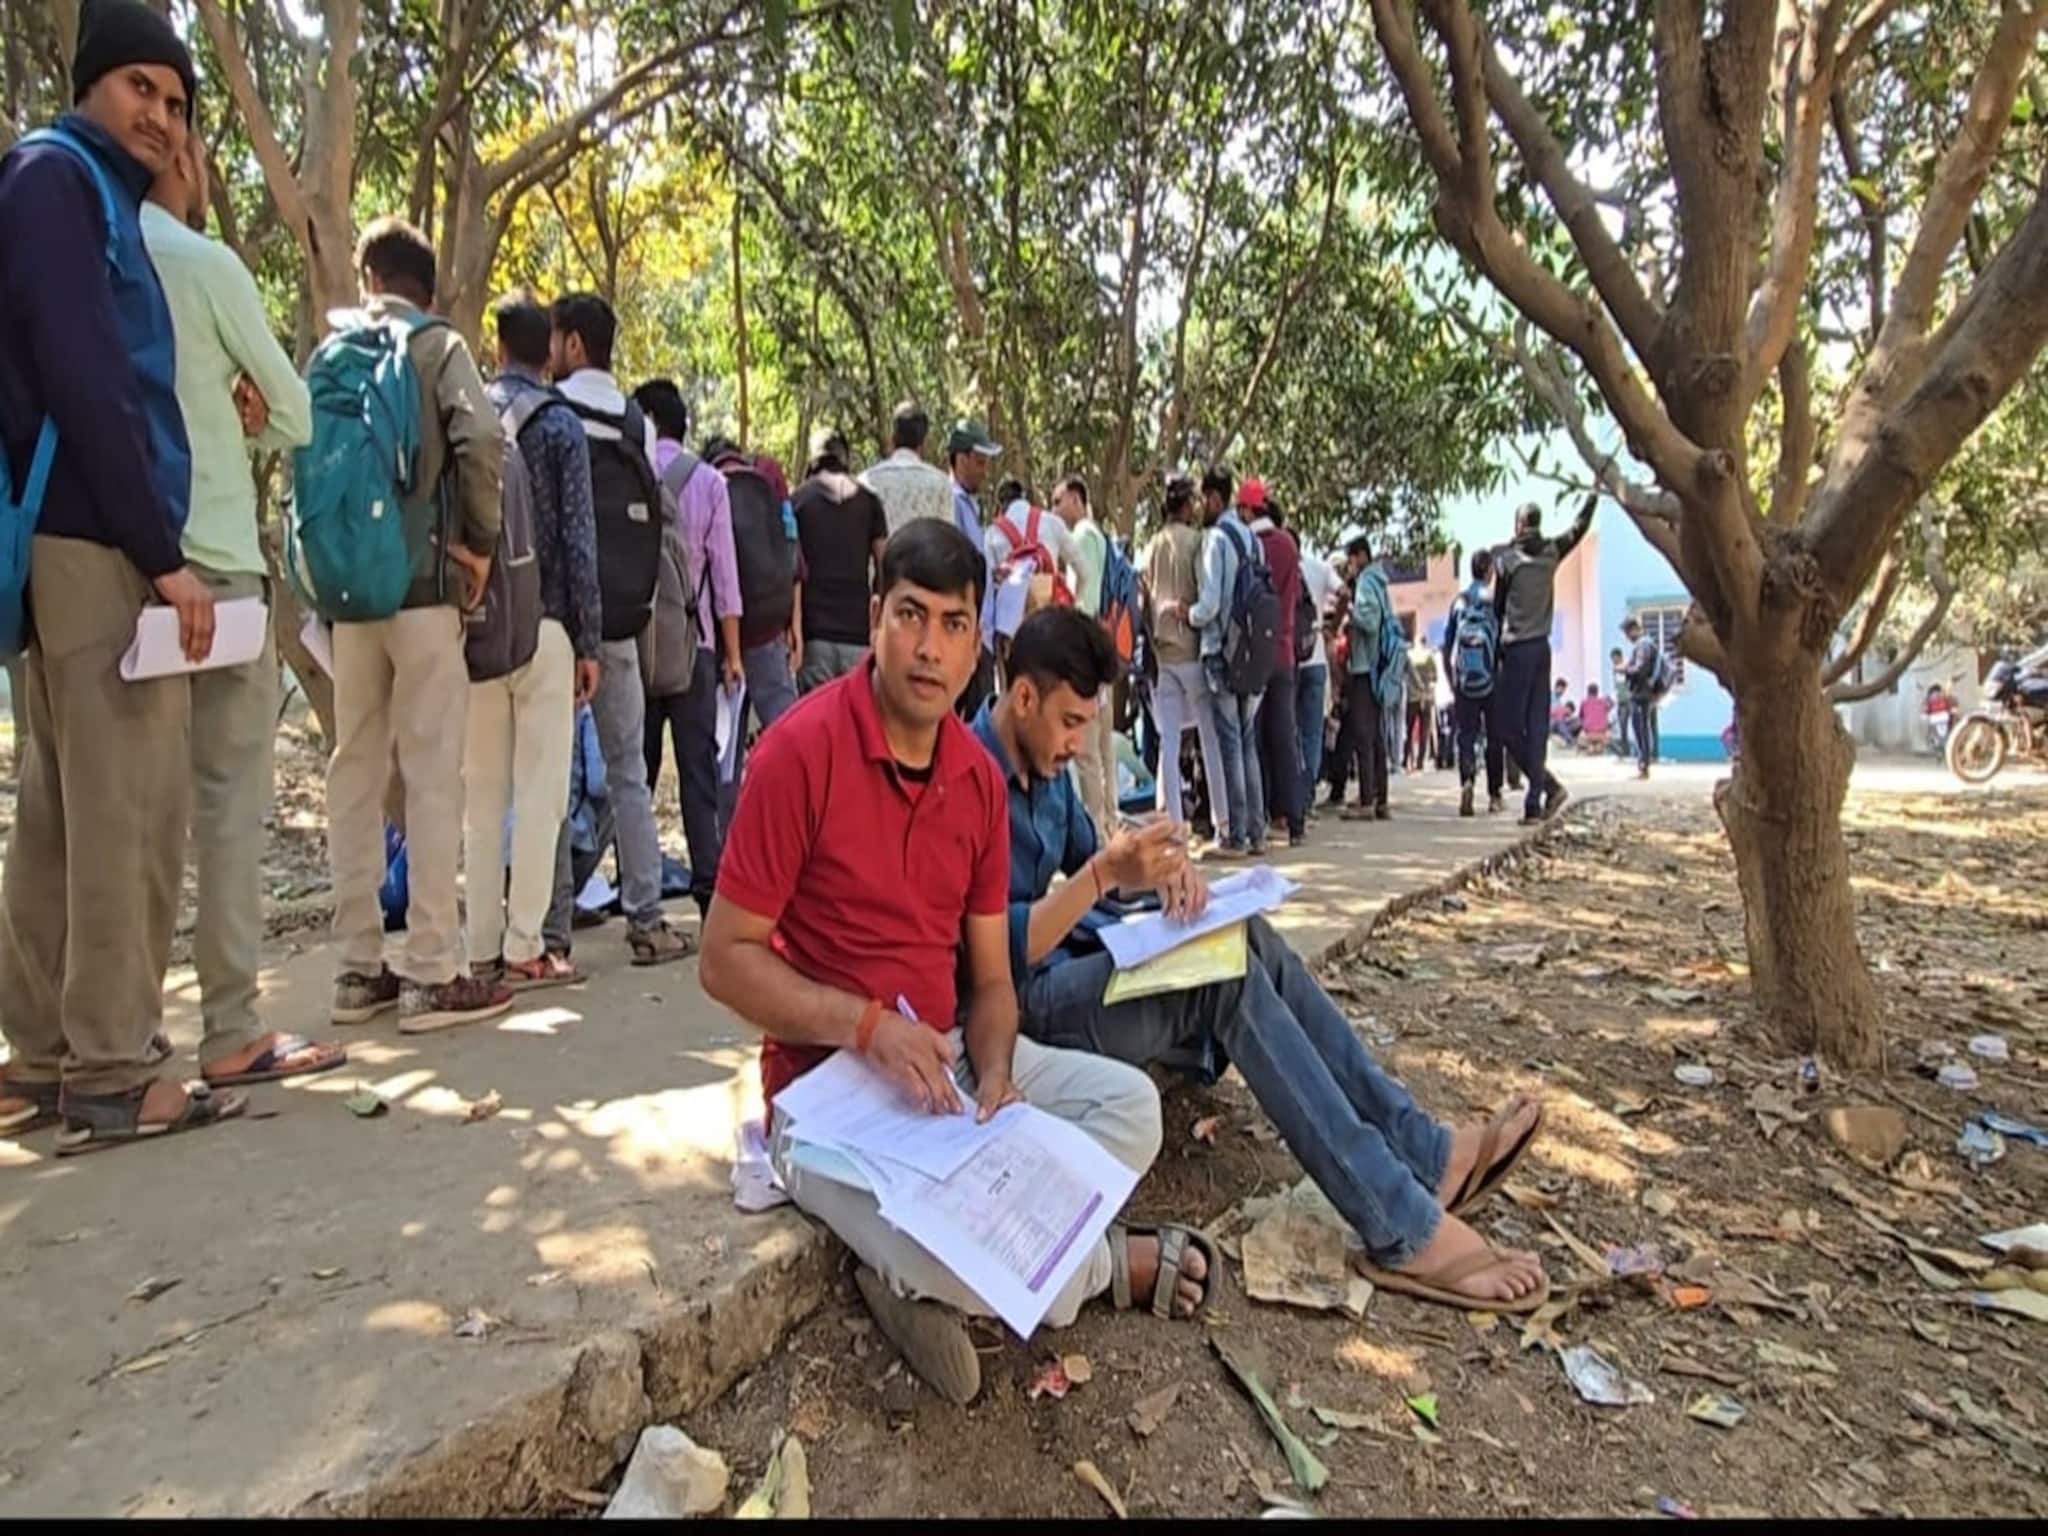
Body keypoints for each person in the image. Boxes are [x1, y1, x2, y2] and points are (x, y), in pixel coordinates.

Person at [699, 521, 1213, 1407]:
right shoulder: (796, 752)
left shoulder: (974, 781)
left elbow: (990, 981)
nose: (929, 648)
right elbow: (722, 961)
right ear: (874, 619)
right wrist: (864, 1026)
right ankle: (1087, 1268)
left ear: (980, 643)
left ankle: (923, 1276)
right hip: (825, 1099)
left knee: (1132, 1109)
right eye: (910, 616)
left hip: (953, 1063)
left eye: (953, 624)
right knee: (1021, 1275)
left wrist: (1002, 1075)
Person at [984, 606, 1552, 1312]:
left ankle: (1423, 1153)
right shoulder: (970, 779)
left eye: (1085, 724)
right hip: (1019, 1010)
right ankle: (1400, 1224)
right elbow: (993, 950)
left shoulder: (1042, 766)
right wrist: (1105, 875)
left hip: (1074, 962)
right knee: (1224, 978)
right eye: (1069, 722)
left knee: (1242, 936)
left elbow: (1086, 856)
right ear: (1024, 697)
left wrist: (1159, 872)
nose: (1077, 743)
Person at [0, 1, 239, 1146]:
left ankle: (39, 1057)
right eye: (141, 88)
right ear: (88, 84)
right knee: (131, 808)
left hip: (66, 532)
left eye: (178, 102)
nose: (161, 115)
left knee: (56, 809)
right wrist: (164, 558)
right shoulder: (56, 182)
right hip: (95, 537)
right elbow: (87, 374)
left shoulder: (73, 191)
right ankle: (111, 1066)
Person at [140, 124, 347, 1087]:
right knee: (224, 805)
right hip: (213, 558)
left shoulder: (76, 252)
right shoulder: (200, 261)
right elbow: (294, 413)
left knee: (108, 808)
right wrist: (244, 408)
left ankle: (93, 1038)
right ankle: (230, 1027)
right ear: (186, 161)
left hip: (104, 558)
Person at [315, 217, 511, 1035]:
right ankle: (433, 969)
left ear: (368, 278)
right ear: (429, 287)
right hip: (425, 591)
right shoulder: (438, 348)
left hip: (351, 597)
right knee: (433, 771)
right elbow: (481, 440)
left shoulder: (332, 353)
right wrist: (478, 547)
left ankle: (358, 969)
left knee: (353, 768)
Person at [546, 295, 693, 964]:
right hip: (618, 620)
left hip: (555, 616)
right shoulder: (632, 419)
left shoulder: (550, 413)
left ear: (573, 345)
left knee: (545, 772)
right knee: (628, 768)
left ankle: (547, 929)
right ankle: (646, 914)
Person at [468, 290, 602, 988]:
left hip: (480, 627)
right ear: (548, 348)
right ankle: (526, 941)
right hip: (546, 629)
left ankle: (478, 944)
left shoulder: (469, 413)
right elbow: (580, 540)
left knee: (482, 791)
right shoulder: (559, 425)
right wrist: (590, 643)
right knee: (542, 791)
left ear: (496, 347)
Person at [634, 380, 742, 923]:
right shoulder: (708, 481)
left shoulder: (627, 469)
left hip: (635, 645)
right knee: (698, 773)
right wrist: (733, 652)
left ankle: (638, 893)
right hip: (695, 647)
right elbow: (725, 573)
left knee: (638, 770)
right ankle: (707, 890)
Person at [1492, 496, 1593, 825]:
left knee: (1506, 728)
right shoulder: (1552, 551)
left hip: (1517, 649)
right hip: (1542, 650)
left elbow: (1497, 610)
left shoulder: (1507, 560)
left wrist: (1497, 654)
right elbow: (1578, 529)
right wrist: (1593, 494)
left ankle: (1548, 786)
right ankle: (1535, 802)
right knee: (1536, 727)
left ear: (1519, 524)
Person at [1141, 475, 1228, 835]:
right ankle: (1224, 820)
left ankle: (1174, 827)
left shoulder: (1151, 547)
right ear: (1186, 506)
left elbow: (1142, 600)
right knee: (1210, 740)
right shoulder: (1198, 542)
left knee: (1170, 744)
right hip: (1193, 650)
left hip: (1163, 656)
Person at [1187, 465, 1267, 856]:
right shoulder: (1254, 541)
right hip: (1252, 652)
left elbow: (1210, 603)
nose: (1203, 505)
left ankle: (1235, 835)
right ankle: (1257, 830)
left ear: (1214, 498)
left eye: (1205, 498)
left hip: (1221, 650)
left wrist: (1185, 614)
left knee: (1231, 743)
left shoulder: (1217, 539)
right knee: (1248, 741)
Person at [792, 428, 886, 692]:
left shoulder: (798, 501)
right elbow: (885, 563)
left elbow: (790, 571)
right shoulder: (869, 501)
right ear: (845, 459)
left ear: (814, 460)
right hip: (858, 633)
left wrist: (793, 630)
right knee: (855, 724)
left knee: (818, 726)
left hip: (814, 636)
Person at [1055, 473, 1117, 837]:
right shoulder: (1101, 537)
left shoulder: (1080, 537)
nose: (1056, 507)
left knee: (1088, 751)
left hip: (1088, 641)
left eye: (1059, 499)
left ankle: (1096, 830)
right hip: (1104, 638)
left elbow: (1086, 595)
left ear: (1076, 499)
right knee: (1105, 746)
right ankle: (1109, 821)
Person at [1246, 482, 1304, 846]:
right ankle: (1295, 819)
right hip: (1284, 651)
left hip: (1254, 654)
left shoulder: (1250, 547)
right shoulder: (1288, 545)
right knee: (1284, 737)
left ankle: (1262, 815)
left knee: (1252, 737)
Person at [1336, 532, 1395, 821]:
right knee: (1376, 735)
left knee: (1363, 734)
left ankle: (1367, 799)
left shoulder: (1366, 583)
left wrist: (1349, 609)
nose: (1349, 566)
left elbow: (1369, 622)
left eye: (1350, 559)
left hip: (1364, 666)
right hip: (1378, 665)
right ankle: (1380, 797)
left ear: (1359, 556)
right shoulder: (1381, 582)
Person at [947, 418, 1001, 717]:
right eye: (979, 462)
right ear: (961, 459)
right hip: (970, 634)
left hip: (983, 634)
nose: (984, 471)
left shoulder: (970, 506)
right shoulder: (952, 503)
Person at [1443, 549, 1504, 817]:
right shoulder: (1494, 601)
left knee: (1466, 735)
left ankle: (1467, 780)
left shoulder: (1460, 601)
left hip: (1464, 679)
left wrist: (1452, 676)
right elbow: (1502, 640)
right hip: (1492, 678)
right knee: (1494, 736)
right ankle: (1494, 795)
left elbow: (1447, 645)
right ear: (1489, 570)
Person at [860, 401, 953, 539]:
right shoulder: (941, 484)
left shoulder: (865, 482)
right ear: (924, 442)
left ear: (892, 438)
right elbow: (947, 540)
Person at [1296, 542, 1338, 819]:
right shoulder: (1320, 568)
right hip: (1317, 658)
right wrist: (1332, 625)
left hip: (1291, 660)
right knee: (1312, 733)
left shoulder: (1281, 564)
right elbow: (1343, 591)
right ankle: (1308, 795)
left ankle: (1293, 795)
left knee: (1291, 733)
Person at [1621, 616, 1664, 779]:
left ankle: (1644, 765)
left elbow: (1639, 669)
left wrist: (1624, 669)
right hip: (1646, 693)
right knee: (1644, 728)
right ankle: (1644, 763)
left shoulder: (1643, 645)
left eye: (1627, 633)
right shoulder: (1647, 644)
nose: (1627, 637)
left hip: (1641, 693)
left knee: (1641, 730)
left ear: (1633, 630)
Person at [1404, 635, 1438, 772]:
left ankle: (1407, 759)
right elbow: (1435, 677)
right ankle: (1420, 762)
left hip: (1412, 697)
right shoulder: (1429, 656)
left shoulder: (1409, 655)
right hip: (1427, 697)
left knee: (1409, 729)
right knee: (1424, 732)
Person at [1609, 645, 1634, 759]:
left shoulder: (1626, 667)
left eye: (1615, 658)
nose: (1614, 661)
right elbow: (1617, 687)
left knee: (1632, 726)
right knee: (1622, 727)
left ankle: (1631, 751)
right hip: (1621, 702)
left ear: (1620, 657)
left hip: (1629, 701)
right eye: (1612, 659)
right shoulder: (1614, 671)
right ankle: (1625, 752)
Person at [1577, 683, 1612, 750]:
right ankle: (1598, 746)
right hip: (1603, 733)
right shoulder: (1603, 702)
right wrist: (1608, 698)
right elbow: (1612, 705)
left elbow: (1580, 717)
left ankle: (1591, 746)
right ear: (1597, 692)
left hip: (1588, 733)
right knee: (1605, 737)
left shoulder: (1584, 702)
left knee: (1580, 737)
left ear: (1588, 692)